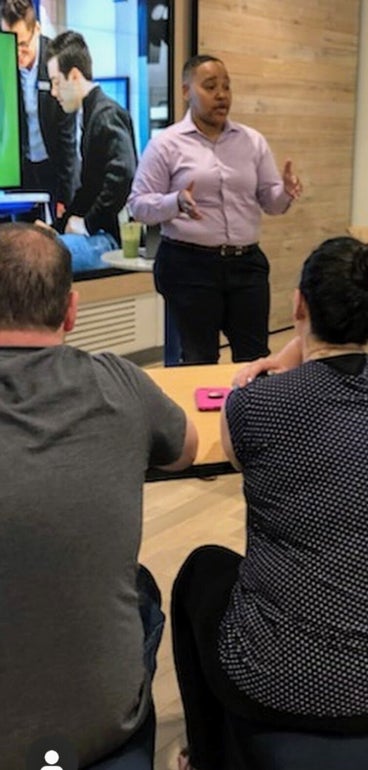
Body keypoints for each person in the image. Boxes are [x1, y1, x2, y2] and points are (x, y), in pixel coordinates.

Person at [171, 236, 368, 770]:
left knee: (203, 570)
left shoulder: (255, 405)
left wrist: (271, 364)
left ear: (298, 306)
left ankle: (209, 758)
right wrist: (297, 351)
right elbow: (337, 365)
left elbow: (234, 451)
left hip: (294, 681)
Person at [0, 223, 198, 768]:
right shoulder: (120, 383)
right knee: (145, 587)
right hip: (99, 728)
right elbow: (187, 447)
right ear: (71, 310)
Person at [129, 54, 303, 365]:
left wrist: (285, 193)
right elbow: (138, 205)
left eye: (226, 87)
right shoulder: (166, 144)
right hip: (188, 265)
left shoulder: (252, 141)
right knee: (197, 361)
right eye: (210, 86)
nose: (221, 95)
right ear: (186, 92)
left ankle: (248, 414)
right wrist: (175, 202)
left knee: (255, 359)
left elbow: (270, 202)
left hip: (246, 265)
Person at [46, 30, 137, 271]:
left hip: (110, 240)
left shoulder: (105, 114)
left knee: (41, 261)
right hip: (100, 235)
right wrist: (56, 227)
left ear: (74, 75)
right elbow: (89, 190)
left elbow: (122, 177)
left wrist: (87, 224)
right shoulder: (90, 114)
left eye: (56, 82)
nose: (54, 93)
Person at [1, 0, 77, 216]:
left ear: (37, 30)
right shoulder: (3, 59)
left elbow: (67, 140)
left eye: (23, 44)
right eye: (10, 41)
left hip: (54, 167)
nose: (17, 53)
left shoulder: (56, 61)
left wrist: (65, 196)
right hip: (21, 170)